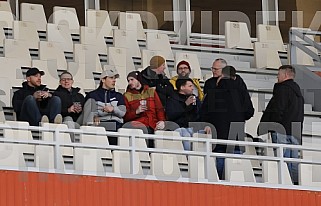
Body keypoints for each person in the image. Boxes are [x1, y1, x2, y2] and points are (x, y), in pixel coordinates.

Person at [201, 65, 254, 179]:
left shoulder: (212, 92)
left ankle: (220, 182)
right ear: (234, 78)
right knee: (236, 161)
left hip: (219, 133)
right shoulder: (242, 94)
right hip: (236, 134)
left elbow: (203, 113)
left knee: (220, 157)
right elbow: (249, 112)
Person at [258, 65, 304, 185]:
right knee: (293, 162)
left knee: (282, 161)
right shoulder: (298, 92)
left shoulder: (282, 89)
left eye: (279, 74)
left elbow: (278, 110)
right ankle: (295, 186)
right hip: (295, 131)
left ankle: (285, 186)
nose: (277, 76)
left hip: (281, 131)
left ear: (286, 75)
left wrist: (273, 126)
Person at [83, 66, 126, 145]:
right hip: (100, 123)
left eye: (115, 78)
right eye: (111, 78)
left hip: (116, 124)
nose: (114, 80)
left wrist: (113, 109)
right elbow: (88, 111)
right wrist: (94, 116)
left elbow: (122, 112)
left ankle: (113, 154)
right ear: (103, 80)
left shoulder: (119, 95)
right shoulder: (92, 95)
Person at [166, 78, 211, 150]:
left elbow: (201, 114)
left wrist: (206, 125)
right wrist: (185, 105)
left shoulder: (195, 99)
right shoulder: (172, 99)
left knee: (205, 134)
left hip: (195, 128)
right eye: (190, 86)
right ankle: (188, 158)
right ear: (182, 87)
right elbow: (171, 115)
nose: (192, 88)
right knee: (185, 134)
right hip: (179, 128)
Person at [123, 71, 166, 143]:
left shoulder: (151, 91)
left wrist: (162, 121)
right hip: (139, 125)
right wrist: (136, 112)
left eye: (132, 80)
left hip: (154, 124)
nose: (129, 82)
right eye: (128, 80)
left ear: (138, 79)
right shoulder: (127, 95)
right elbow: (125, 116)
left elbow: (159, 108)